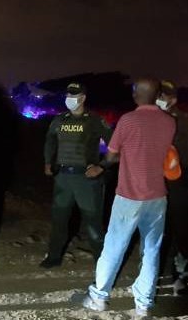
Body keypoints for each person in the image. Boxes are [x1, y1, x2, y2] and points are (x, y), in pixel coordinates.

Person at [83, 78, 176, 318]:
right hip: (157, 197)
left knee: (114, 246)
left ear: (135, 95)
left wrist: (100, 167)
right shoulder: (169, 122)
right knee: (152, 250)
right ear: (157, 96)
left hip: (129, 195)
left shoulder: (127, 120)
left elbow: (112, 155)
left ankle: (99, 297)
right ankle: (143, 304)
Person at [41, 82, 112, 268]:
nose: (70, 99)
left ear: (83, 98)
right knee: (59, 220)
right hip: (63, 178)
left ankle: (102, 264)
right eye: (68, 95)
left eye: (74, 95)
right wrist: (48, 162)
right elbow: (49, 141)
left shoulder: (95, 120)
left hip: (86, 180)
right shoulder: (59, 119)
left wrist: (102, 166)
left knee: (93, 224)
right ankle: (54, 257)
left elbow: (115, 147)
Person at [155, 80, 188, 292]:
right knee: (152, 229)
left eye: (164, 95)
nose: (160, 99)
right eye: (157, 94)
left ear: (173, 99)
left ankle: (180, 272)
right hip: (151, 184)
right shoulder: (148, 118)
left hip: (179, 184)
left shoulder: (187, 121)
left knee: (180, 229)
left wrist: (176, 157)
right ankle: (150, 272)